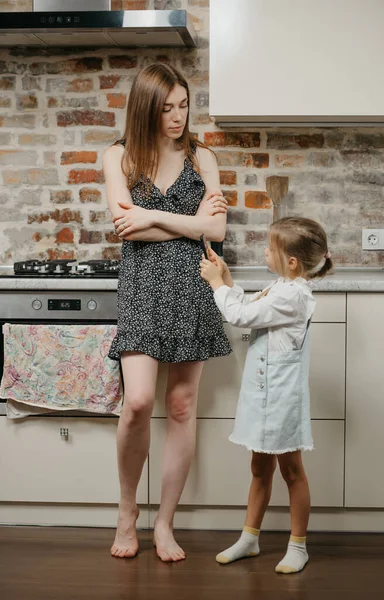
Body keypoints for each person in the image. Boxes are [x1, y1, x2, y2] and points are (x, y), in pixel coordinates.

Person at [102, 63, 232, 563]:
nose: (177, 117)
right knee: (136, 401)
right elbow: (125, 229)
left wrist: (152, 213)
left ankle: (164, 523)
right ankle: (128, 509)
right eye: (166, 107)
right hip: (141, 287)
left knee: (181, 406)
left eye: (183, 105)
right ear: (145, 107)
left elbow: (216, 234)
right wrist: (191, 221)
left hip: (192, 284)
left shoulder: (203, 157)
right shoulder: (119, 155)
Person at [200, 216, 333, 574]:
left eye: (270, 248)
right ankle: (250, 538)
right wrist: (226, 277)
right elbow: (251, 308)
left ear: (291, 261)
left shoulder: (292, 295)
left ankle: (298, 545)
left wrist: (216, 286)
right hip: (263, 396)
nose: (264, 251)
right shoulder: (281, 287)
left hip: (282, 400)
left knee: (292, 470)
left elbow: (240, 316)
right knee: (259, 467)